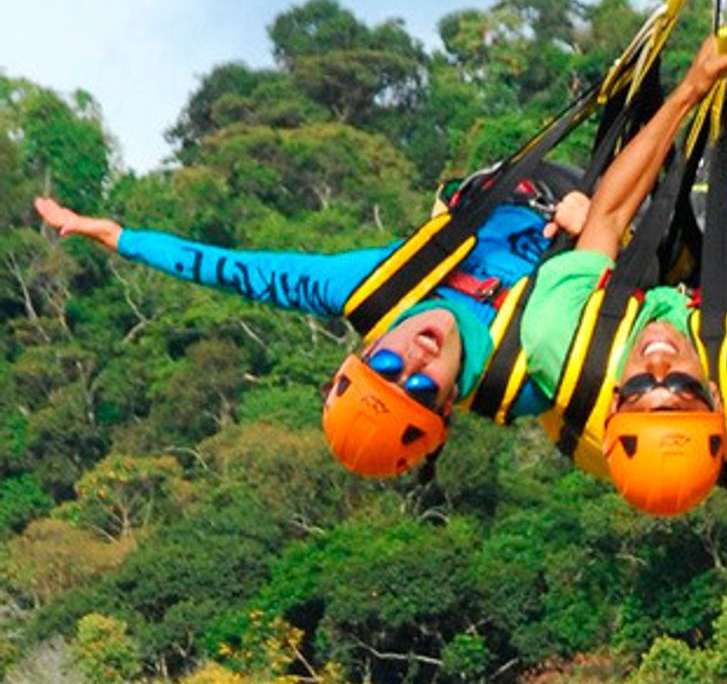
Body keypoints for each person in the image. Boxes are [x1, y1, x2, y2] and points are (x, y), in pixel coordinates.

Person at [34, 167, 592, 478]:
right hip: (605, 224)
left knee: (453, 203)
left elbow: (239, 272)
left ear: (369, 348)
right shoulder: (519, 379)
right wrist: (591, 235)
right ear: (445, 404)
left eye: (389, 366)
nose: (415, 361)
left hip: (515, 184)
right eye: (419, 386)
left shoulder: (370, 289)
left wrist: (120, 239)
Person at [521, 34, 727, 516]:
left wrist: (691, 87)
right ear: (712, 398)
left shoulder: (557, 341)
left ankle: (683, 152)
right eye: (683, 392)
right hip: (715, 288)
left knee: (609, 215)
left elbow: (609, 217)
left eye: (642, 391)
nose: (659, 370)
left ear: (614, 403)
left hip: (622, 273)